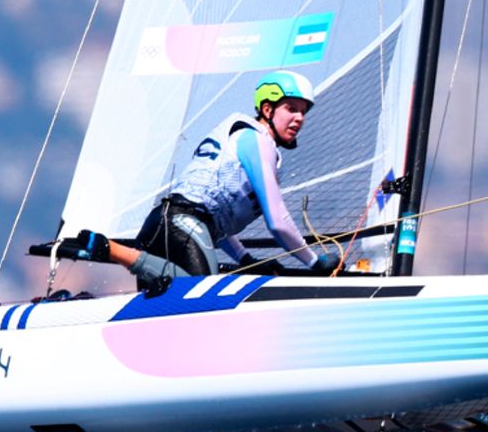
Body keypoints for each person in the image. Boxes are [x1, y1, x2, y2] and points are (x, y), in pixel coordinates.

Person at [55, 70, 338, 289]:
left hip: (163, 224)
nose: (299, 117)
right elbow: (277, 219)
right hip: (184, 226)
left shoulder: (239, 135)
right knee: (202, 299)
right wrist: (314, 262)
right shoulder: (257, 141)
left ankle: (123, 254)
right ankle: (114, 251)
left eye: (303, 111)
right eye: (291, 108)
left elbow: (217, 216)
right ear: (267, 109)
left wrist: (244, 259)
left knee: (164, 305)